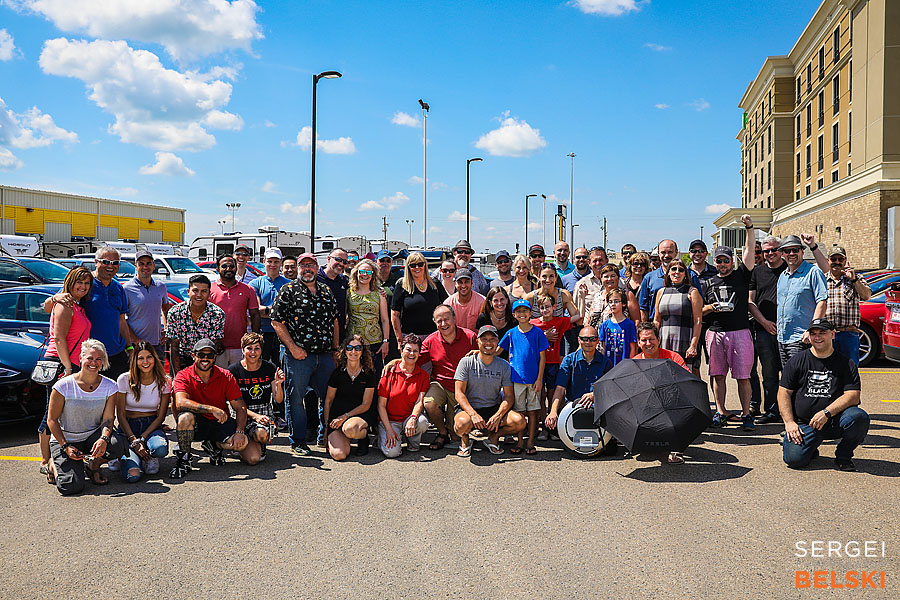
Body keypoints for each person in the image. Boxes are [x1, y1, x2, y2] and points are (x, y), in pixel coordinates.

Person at [779, 318, 869, 471]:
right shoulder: (797, 361)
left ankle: (843, 456)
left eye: (822, 333)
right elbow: (783, 393)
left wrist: (827, 413)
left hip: (835, 420)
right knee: (794, 460)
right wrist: (789, 422)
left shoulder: (846, 363)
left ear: (833, 334)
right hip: (805, 423)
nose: (818, 337)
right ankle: (811, 447)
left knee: (859, 417)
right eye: (813, 333)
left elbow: (853, 396)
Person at [272, 253, 339, 456]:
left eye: (311, 265)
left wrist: (336, 350)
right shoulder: (288, 290)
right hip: (298, 356)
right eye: (303, 266)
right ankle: (298, 440)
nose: (307, 269)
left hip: (325, 354)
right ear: (298, 269)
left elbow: (335, 321)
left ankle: (324, 435)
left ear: (317, 267)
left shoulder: (326, 290)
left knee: (328, 397)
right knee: (296, 398)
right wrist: (292, 347)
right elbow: (276, 321)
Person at [45, 339, 124, 495]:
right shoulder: (63, 386)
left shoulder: (111, 386)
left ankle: (92, 466)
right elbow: (51, 420)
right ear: (81, 358)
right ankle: (53, 464)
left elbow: (108, 419)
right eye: (89, 358)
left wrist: (104, 439)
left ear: (103, 362)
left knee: (117, 444)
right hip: (66, 439)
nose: (93, 362)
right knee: (71, 487)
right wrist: (65, 446)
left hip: (91, 437)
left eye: (98, 359)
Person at [45, 246, 135, 378]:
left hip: (116, 353)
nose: (111, 266)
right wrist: (54, 298)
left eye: (115, 263)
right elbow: (48, 308)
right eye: (106, 262)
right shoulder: (84, 283)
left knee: (116, 395)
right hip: (91, 357)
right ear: (96, 262)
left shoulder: (118, 288)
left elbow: (121, 320)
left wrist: (129, 346)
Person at [702, 215, 757, 430]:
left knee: (743, 376)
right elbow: (701, 310)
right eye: (719, 261)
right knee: (717, 375)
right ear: (714, 262)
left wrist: (749, 228)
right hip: (715, 332)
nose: (723, 264)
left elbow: (750, 251)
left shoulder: (742, 275)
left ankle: (746, 414)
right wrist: (711, 308)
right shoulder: (707, 282)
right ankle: (721, 411)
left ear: (732, 261)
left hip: (740, 331)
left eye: (726, 260)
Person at [38, 266, 92, 480]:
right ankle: (45, 461)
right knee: (51, 413)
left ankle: (56, 457)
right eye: (79, 282)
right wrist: (68, 368)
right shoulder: (64, 304)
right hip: (60, 363)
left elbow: (45, 307)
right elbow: (59, 338)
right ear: (70, 281)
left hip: (72, 363)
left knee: (64, 413)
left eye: (87, 283)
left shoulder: (75, 304)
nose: (83, 286)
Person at [169, 338, 251, 478]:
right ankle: (184, 458)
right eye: (201, 355)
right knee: (184, 417)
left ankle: (214, 445)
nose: (205, 359)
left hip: (219, 422)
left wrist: (239, 431)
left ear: (215, 357)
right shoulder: (183, 375)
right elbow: (180, 403)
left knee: (242, 443)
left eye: (210, 355)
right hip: (198, 422)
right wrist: (211, 409)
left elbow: (240, 406)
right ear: (193, 355)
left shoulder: (225, 375)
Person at [453, 325, 526, 457]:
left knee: (519, 421)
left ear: (498, 341)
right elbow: (459, 393)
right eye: (484, 339)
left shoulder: (504, 365)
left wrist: (498, 415)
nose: (488, 343)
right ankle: (465, 440)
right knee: (461, 424)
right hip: (469, 409)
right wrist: (473, 414)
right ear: (478, 341)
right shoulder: (466, 362)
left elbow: (509, 396)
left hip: (493, 407)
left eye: (492, 339)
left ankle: (493, 436)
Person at [417, 304, 477, 449]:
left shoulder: (470, 337)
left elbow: (484, 358)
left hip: (462, 389)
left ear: (454, 319)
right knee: (429, 402)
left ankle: (452, 429)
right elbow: (413, 360)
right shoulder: (430, 341)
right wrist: (396, 362)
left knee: (456, 434)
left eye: (446, 319)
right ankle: (442, 432)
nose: (443, 324)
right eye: (439, 321)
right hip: (440, 384)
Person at [115, 342, 171, 482]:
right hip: (128, 426)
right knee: (133, 476)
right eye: (140, 358)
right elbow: (120, 414)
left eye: (149, 357)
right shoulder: (124, 379)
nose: (145, 362)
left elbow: (161, 416)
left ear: (155, 358)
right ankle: (128, 455)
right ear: (135, 360)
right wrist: (133, 440)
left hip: (151, 425)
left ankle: (148, 455)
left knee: (160, 449)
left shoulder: (164, 381)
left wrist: (142, 439)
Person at [499, 299, 549, 455]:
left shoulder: (538, 333)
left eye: (525, 311)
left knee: (533, 411)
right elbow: (497, 351)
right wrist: (478, 352)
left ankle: (530, 442)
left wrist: (540, 379)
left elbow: (543, 358)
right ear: (514, 315)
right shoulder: (511, 333)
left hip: (534, 380)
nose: (522, 314)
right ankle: (520, 441)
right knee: (519, 412)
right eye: (518, 311)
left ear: (530, 313)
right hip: (516, 380)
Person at [228, 332, 284, 464]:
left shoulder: (269, 368)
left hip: (263, 413)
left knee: (261, 436)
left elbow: (279, 400)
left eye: (257, 348)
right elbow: (234, 404)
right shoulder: (233, 371)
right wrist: (255, 416)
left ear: (261, 350)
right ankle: (242, 443)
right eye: (249, 348)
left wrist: (278, 384)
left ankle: (256, 443)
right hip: (241, 413)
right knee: (253, 459)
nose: (253, 352)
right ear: (242, 350)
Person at [749, 235, 788, 423]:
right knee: (769, 374)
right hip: (765, 330)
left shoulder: (790, 269)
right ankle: (772, 412)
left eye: (774, 250)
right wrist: (764, 322)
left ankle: (792, 412)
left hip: (789, 330)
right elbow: (750, 301)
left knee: (790, 373)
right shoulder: (757, 272)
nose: (770, 253)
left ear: (781, 251)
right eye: (766, 251)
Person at [530, 290, 579, 438]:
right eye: (542, 307)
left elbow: (577, 317)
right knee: (540, 394)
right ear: (538, 309)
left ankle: (553, 424)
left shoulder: (559, 321)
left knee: (553, 394)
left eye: (548, 306)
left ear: (554, 307)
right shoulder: (533, 323)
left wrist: (575, 299)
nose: (545, 310)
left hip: (553, 362)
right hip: (539, 364)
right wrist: (544, 337)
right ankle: (544, 427)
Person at [545, 325, 613, 428]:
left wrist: (595, 394)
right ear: (579, 340)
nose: (588, 342)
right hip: (572, 408)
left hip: (597, 409)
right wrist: (553, 412)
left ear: (598, 340)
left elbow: (610, 389)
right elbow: (560, 389)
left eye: (592, 339)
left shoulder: (606, 362)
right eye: (584, 339)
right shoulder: (569, 360)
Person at [776, 235, 828, 366]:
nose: (791, 253)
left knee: (800, 381)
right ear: (783, 254)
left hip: (801, 338)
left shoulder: (813, 272)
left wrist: (811, 330)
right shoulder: (783, 276)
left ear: (802, 251)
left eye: (795, 250)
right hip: (782, 338)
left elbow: (822, 301)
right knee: (788, 380)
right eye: (787, 251)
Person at [323, 335, 377, 460]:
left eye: (358, 348)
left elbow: (366, 404)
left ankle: (363, 438)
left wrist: (345, 417)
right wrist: (326, 428)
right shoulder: (337, 373)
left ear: (362, 352)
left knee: (350, 428)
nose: (353, 351)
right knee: (339, 455)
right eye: (349, 348)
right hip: (337, 418)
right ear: (344, 351)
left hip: (359, 415)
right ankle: (344, 439)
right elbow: (328, 401)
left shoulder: (368, 374)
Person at [377, 334, 431, 457]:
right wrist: (389, 430)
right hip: (390, 421)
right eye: (408, 350)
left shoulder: (423, 376)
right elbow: (381, 405)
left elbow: (419, 401)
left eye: (415, 351)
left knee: (422, 422)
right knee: (392, 453)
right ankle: (382, 438)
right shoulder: (389, 372)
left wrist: (413, 418)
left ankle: (412, 442)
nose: (412, 354)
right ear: (401, 350)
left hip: (408, 418)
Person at [164, 274, 225, 374]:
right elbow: (174, 347)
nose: (199, 295)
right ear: (188, 292)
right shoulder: (175, 312)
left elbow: (214, 345)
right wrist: (177, 376)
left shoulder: (217, 314)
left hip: (205, 359)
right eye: (195, 290)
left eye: (204, 291)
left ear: (209, 293)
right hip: (182, 358)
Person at [209, 254, 260, 368]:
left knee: (238, 382)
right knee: (219, 381)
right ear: (218, 269)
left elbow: (255, 315)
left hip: (240, 346)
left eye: (231, 266)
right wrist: (213, 341)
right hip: (217, 346)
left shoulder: (248, 289)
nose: (228, 269)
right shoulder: (210, 289)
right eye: (224, 266)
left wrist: (253, 340)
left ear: (236, 268)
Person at [653, 258, 702, 374]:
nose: (677, 272)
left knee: (683, 377)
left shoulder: (692, 292)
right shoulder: (661, 292)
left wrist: (693, 345)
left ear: (685, 274)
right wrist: (654, 340)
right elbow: (656, 320)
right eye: (673, 269)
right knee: (664, 376)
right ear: (668, 272)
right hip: (664, 341)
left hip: (684, 341)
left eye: (681, 270)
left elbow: (698, 321)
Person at [824, 245, 871, 365]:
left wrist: (854, 280)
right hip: (827, 335)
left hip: (848, 334)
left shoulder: (856, 278)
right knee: (829, 372)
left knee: (850, 372)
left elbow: (866, 295)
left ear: (845, 261)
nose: (837, 262)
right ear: (828, 260)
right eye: (834, 259)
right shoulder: (822, 279)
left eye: (840, 259)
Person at [123, 249, 171, 360]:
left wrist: (167, 329)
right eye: (141, 264)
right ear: (136, 266)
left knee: (158, 377)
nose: (145, 267)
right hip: (136, 345)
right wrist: (135, 340)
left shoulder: (161, 286)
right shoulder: (126, 288)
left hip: (157, 344)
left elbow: (165, 308)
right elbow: (122, 319)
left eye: (149, 263)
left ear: (154, 266)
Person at [639, 239, 701, 322]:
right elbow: (643, 308)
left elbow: (700, 306)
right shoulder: (649, 278)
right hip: (656, 328)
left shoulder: (691, 276)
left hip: (684, 328)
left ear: (676, 252)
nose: (666, 255)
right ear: (658, 253)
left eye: (670, 252)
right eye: (663, 252)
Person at [347, 258, 390, 374]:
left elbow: (385, 319)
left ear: (373, 275)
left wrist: (386, 341)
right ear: (356, 273)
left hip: (374, 343)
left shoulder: (379, 293)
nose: (365, 275)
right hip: (353, 344)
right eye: (362, 272)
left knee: (375, 377)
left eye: (369, 272)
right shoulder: (349, 292)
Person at [391, 251, 446, 341]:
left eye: (420, 264)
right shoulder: (402, 284)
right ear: (408, 267)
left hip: (434, 336)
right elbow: (395, 314)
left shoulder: (434, 283)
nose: (417, 268)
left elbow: (447, 305)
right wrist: (399, 338)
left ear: (425, 265)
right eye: (413, 265)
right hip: (410, 338)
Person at [249, 248, 290, 364]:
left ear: (281, 263)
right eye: (270, 261)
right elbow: (257, 310)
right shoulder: (255, 283)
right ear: (264, 261)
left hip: (283, 335)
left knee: (282, 368)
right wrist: (278, 311)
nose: (273, 265)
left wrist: (267, 309)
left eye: (276, 262)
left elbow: (289, 311)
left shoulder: (289, 284)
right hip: (262, 333)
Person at [585, 264, 640, 329]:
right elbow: (589, 321)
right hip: (596, 337)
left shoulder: (627, 295)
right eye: (606, 276)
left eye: (613, 276)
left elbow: (636, 321)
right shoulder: (597, 296)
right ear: (601, 279)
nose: (609, 279)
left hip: (620, 336)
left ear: (618, 277)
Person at [598, 288, 638, 366]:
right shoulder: (605, 325)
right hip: (608, 364)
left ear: (623, 304)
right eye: (610, 302)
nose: (613, 304)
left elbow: (633, 348)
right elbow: (602, 347)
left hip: (624, 365)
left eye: (616, 301)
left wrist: (629, 364)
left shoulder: (629, 324)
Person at [318, 248, 350, 341]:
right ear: (328, 259)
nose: (341, 264)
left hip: (340, 333)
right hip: (318, 334)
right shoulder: (315, 278)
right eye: (338, 259)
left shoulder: (344, 281)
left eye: (344, 262)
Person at [475, 287, 516, 358]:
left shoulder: (514, 319)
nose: (499, 303)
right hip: (487, 356)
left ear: (506, 300)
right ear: (490, 302)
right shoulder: (483, 318)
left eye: (502, 299)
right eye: (496, 300)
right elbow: (479, 341)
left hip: (509, 358)